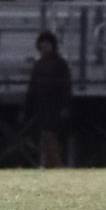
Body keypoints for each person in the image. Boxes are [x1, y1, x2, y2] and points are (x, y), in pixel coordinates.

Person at [23, 31, 71, 169]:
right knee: (44, 135)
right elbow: (32, 85)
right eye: (42, 44)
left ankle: (55, 162)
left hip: (55, 103)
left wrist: (65, 105)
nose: (44, 47)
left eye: (47, 44)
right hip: (42, 104)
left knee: (51, 134)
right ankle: (49, 161)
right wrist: (27, 106)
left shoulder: (60, 63)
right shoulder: (39, 64)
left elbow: (66, 85)